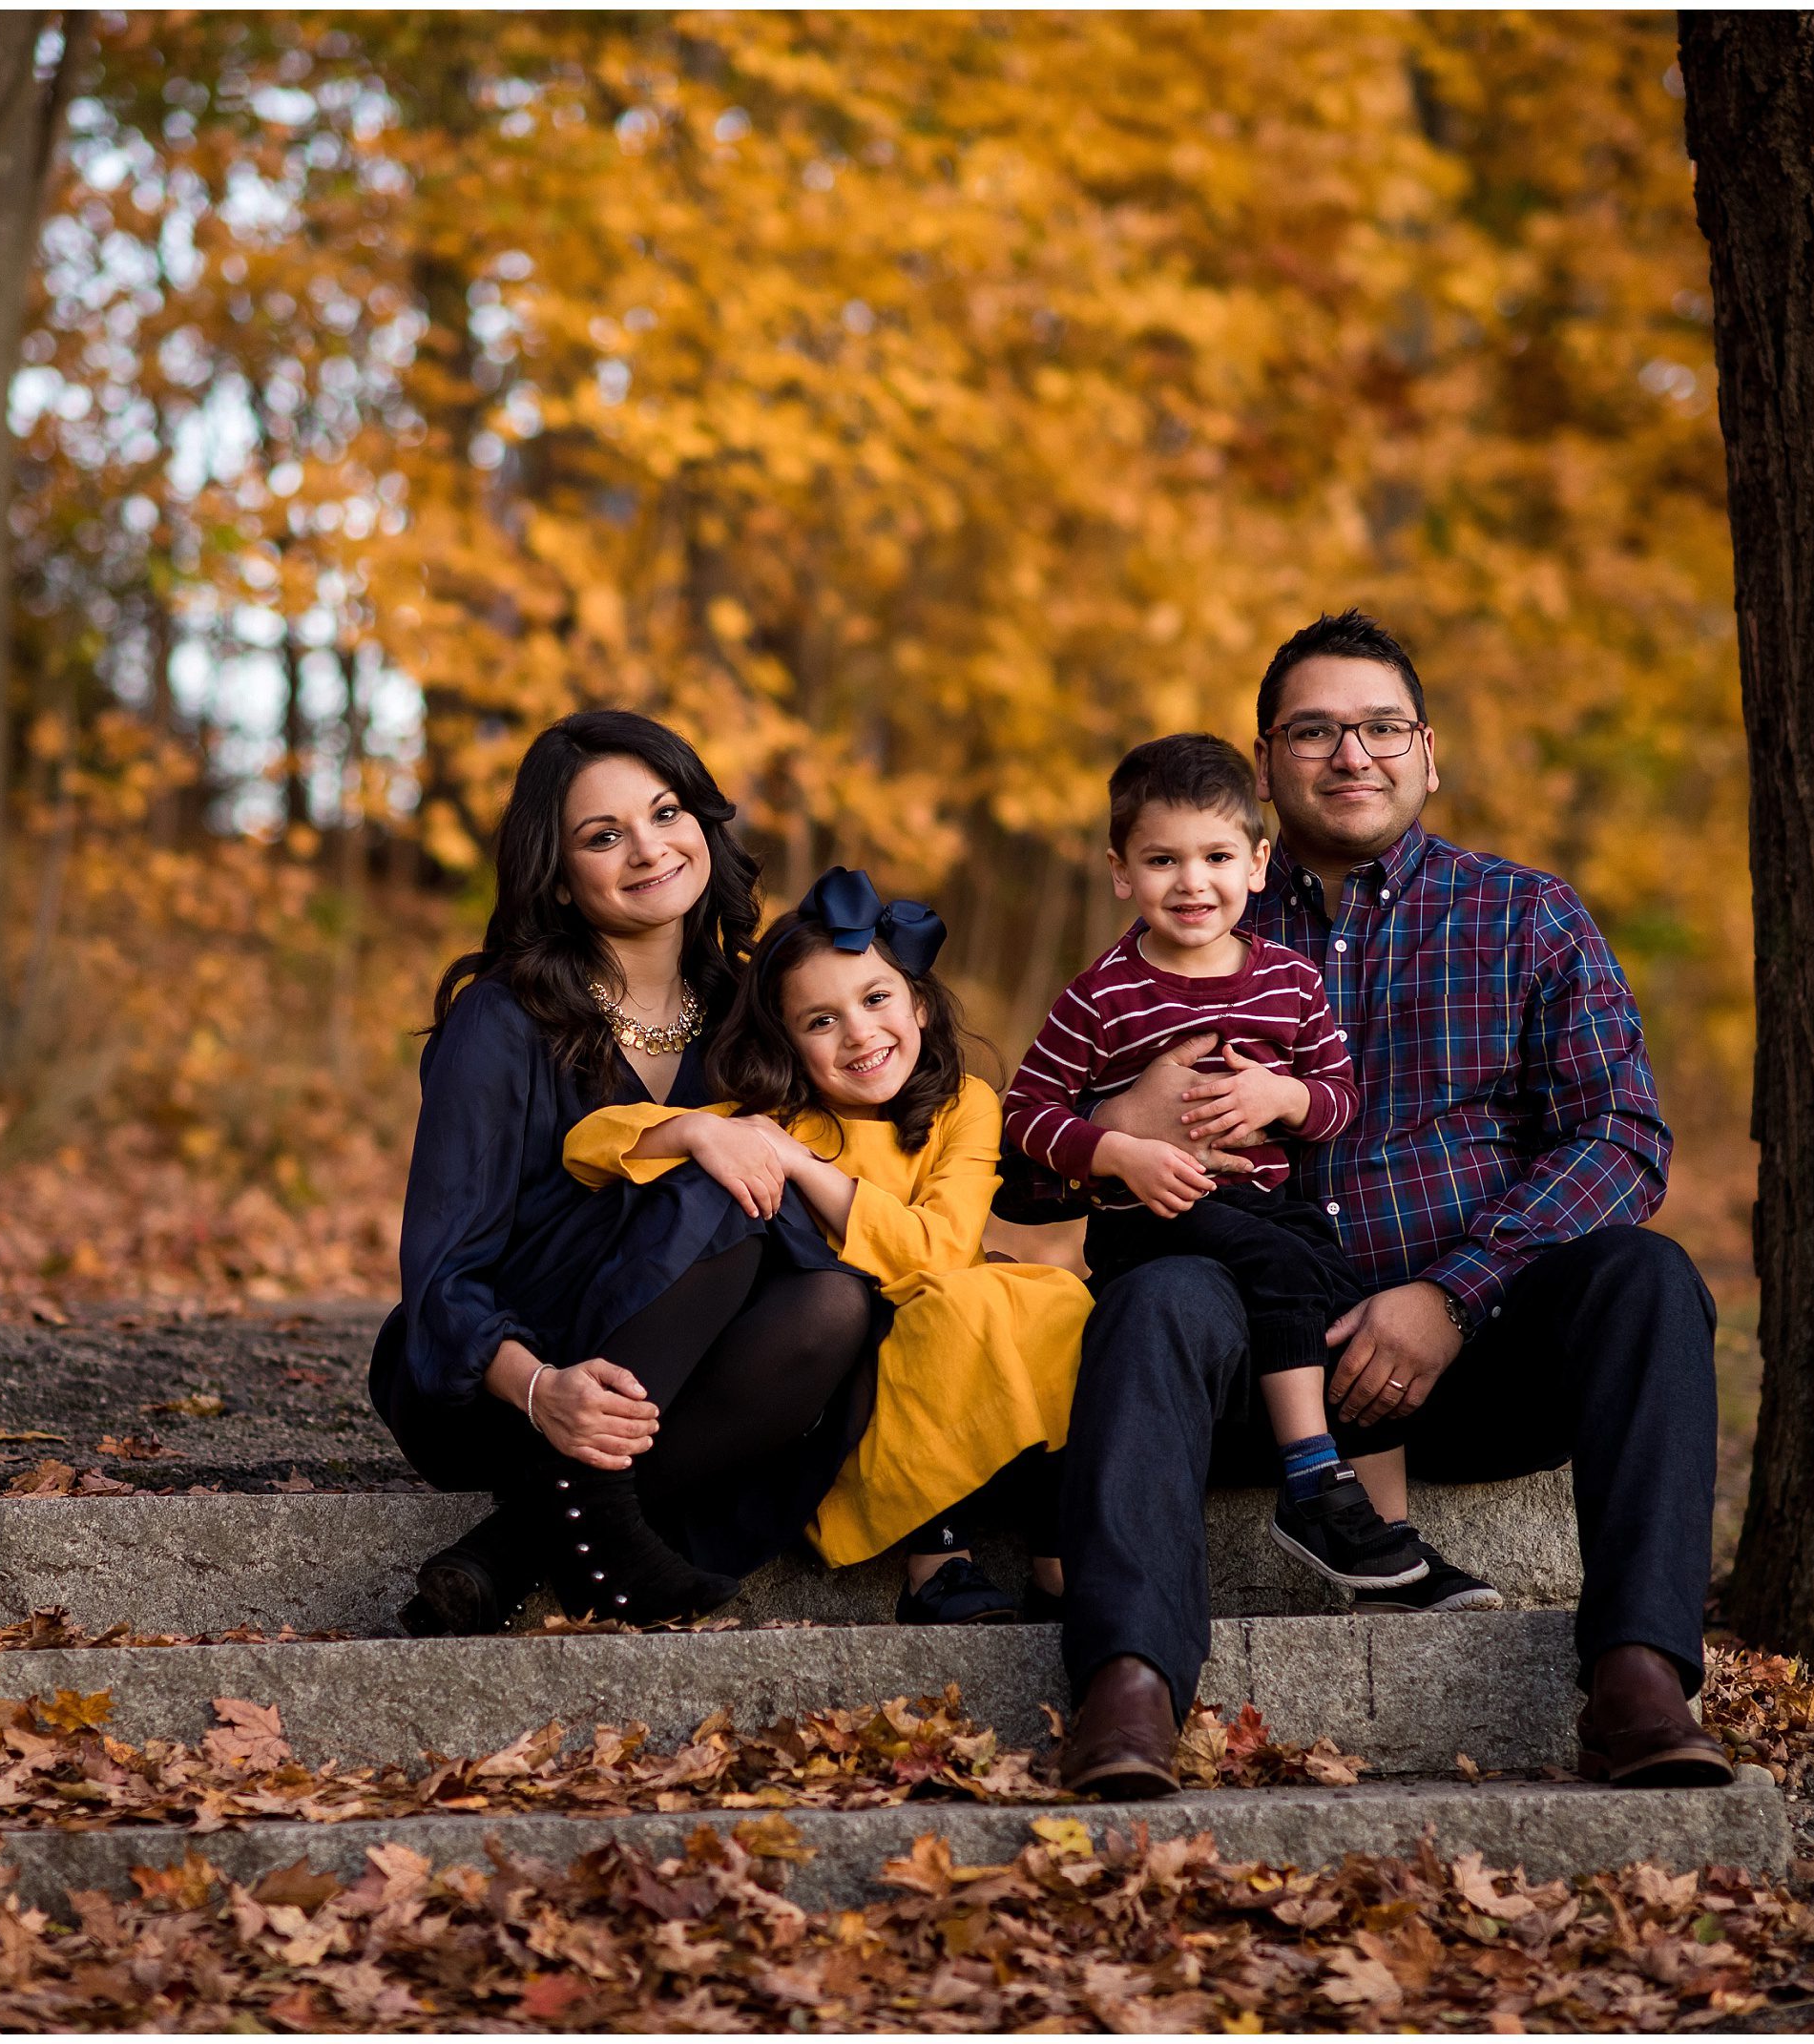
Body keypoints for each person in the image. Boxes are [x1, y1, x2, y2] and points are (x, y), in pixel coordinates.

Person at [1044, 608, 1731, 1799]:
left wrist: (1451, 1297)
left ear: (1427, 753)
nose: (1349, 755)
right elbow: (1042, 1153)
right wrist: (1128, 1123)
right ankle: (1129, 1693)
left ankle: (1636, 1681)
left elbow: (1620, 1138)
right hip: (1256, 1373)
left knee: (1646, 1276)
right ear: (1262, 766)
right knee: (1154, 1297)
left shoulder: (1525, 918)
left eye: (1379, 727)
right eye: (1312, 731)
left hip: (1474, 1366)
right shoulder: (1195, 912)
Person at [368, 710, 881, 1635]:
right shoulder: (500, 1021)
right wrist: (539, 1389)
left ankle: (519, 1543)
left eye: (666, 813)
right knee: (719, 1183)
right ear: (558, 879)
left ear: (702, 826)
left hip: (658, 1377)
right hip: (494, 1380)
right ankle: (593, 1520)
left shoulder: (745, 1009)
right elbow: (441, 1280)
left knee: (834, 1304)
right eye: (603, 836)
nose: (648, 849)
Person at [1002, 735, 1496, 1611]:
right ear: (1121, 872)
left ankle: (1376, 1533)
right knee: (1283, 1268)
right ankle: (1310, 1480)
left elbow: (1341, 1100)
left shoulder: (1290, 983)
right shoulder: (1101, 994)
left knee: (1344, 1292)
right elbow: (1025, 1113)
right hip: (1149, 1218)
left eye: (1217, 857)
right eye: (1163, 860)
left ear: (1258, 864)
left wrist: (1282, 1096)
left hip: (1264, 1209)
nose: (1193, 883)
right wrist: (1116, 1149)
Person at [564, 866, 1089, 1624]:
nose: (860, 1034)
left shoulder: (965, 1106)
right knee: (947, 1308)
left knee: (1046, 1297)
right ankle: (936, 1558)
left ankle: (1062, 1553)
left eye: (876, 999)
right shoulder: (778, 1117)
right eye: (820, 1021)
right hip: (845, 1397)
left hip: (965, 1352)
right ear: (789, 1042)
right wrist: (698, 1129)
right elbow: (588, 1143)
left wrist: (807, 1172)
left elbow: (941, 1250)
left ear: (916, 999)